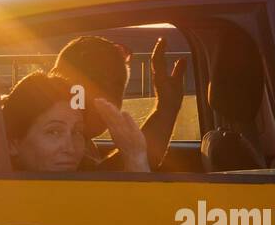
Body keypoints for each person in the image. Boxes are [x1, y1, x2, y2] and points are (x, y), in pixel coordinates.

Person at [50, 33, 186, 170]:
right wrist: (166, 110)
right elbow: (100, 185)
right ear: (57, 78)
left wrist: (166, 108)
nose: (107, 96)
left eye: (117, 86)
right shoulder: (46, 138)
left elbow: (104, 179)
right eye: (95, 81)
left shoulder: (82, 142)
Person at [2, 70, 148, 173]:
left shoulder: (86, 185)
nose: (70, 148)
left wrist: (135, 157)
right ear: (13, 144)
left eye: (77, 131)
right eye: (54, 132)